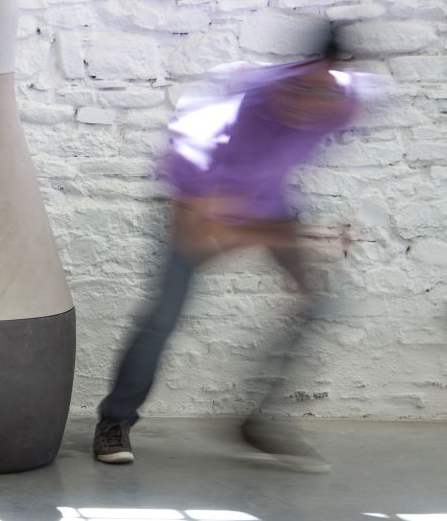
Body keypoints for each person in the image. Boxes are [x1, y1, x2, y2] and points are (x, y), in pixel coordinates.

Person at [93, 27, 377, 473]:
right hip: (202, 202)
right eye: (302, 90)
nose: (310, 105)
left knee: (322, 299)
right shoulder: (221, 118)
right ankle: (115, 420)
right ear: (287, 81)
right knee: (164, 316)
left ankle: (258, 422)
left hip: (270, 201)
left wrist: (296, 235)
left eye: (324, 92)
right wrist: (298, 237)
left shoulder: (344, 101)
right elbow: (203, 234)